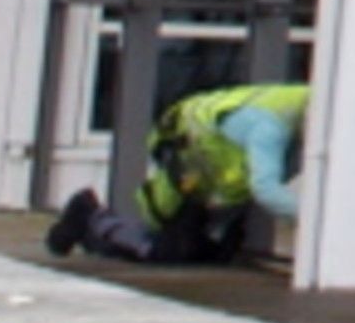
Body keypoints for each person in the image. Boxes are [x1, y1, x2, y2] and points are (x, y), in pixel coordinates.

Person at [55, 74, 305, 267]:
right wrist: (313, 220)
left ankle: (93, 222)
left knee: (206, 254)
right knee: (163, 250)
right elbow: (266, 189)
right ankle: (90, 215)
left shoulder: (298, 106)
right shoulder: (270, 127)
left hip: (204, 169)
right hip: (188, 163)